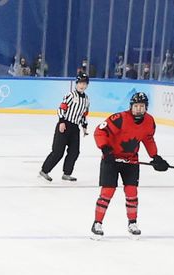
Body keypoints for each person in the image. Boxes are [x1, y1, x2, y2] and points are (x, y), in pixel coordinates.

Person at [91, 90, 165, 238]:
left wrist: (155, 157)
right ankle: (97, 223)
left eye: (142, 106)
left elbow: (148, 140)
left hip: (131, 160)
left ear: (146, 107)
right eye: (136, 106)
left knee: (132, 192)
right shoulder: (119, 118)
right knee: (107, 192)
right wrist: (106, 150)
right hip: (111, 159)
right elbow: (99, 132)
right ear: (131, 106)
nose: (139, 109)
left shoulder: (149, 122)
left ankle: (132, 223)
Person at [38, 74, 90, 181]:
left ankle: (67, 173)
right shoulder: (70, 95)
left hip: (75, 128)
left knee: (74, 152)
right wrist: (61, 121)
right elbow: (61, 108)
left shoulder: (86, 100)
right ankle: (44, 170)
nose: (82, 85)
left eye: (84, 83)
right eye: (80, 83)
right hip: (65, 125)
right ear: (76, 84)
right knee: (58, 152)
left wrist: (84, 127)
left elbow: (84, 114)